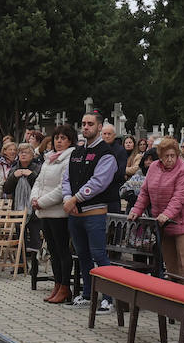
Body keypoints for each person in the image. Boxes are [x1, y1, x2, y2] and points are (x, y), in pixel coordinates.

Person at [63, 110, 120, 310]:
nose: (86, 127)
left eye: (90, 124)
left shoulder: (106, 153)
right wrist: (67, 199)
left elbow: (99, 183)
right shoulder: (76, 152)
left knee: (99, 256)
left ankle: (108, 299)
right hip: (75, 214)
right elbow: (67, 179)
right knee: (83, 256)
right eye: (83, 123)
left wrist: (74, 200)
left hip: (94, 214)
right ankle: (88, 294)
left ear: (99, 126)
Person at [129, 138, 184, 282]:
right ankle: (173, 298)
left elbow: (180, 197)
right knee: (170, 265)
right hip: (163, 223)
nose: (170, 159)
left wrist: (167, 214)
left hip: (183, 222)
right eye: (166, 156)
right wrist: (137, 209)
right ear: (160, 156)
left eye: (173, 155)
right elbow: (145, 192)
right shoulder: (154, 167)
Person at [34, 127, 78, 303]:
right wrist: (34, 198)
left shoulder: (69, 159)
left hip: (58, 212)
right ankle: (57, 284)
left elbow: (63, 188)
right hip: (45, 212)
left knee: (62, 251)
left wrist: (41, 201)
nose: (59, 141)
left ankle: (65, 287)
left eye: (63, 138)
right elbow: (39, 181)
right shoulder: (48, 159)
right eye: (57, 138)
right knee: (52, 251)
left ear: (70, 141)